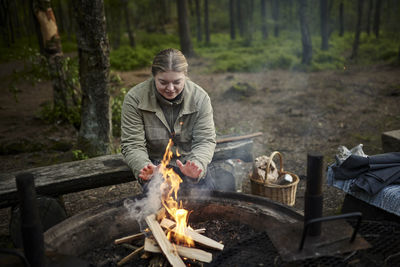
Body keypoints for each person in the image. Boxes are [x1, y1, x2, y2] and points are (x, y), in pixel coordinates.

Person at [121, 48, 217, 192]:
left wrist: (197, 164)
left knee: (207, 202)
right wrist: (144, 167)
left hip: (189, 160)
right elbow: (132, 144)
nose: (170, 88)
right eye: (163, 82)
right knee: (157, 208)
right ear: (154, 76)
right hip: (155, 165)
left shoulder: (200, 98)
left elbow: (205, 140)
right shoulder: (134, 99)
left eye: (177, 82)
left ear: (185, 76)